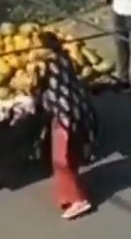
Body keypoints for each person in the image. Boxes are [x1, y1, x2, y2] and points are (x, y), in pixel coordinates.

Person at [35, 31, 99, 219]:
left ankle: (79, 200)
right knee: (66, 157)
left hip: (66, 116)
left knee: (62, 160)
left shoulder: (51, 65)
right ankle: (67, 195)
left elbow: (42, 87)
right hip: (71, 112)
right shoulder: (63, 58)